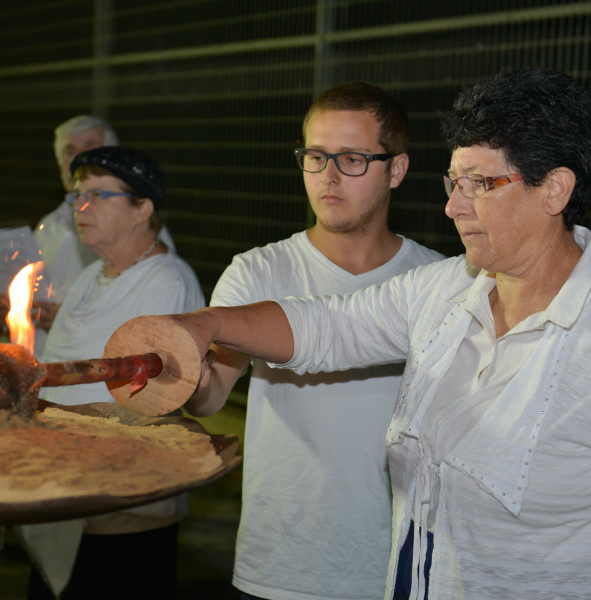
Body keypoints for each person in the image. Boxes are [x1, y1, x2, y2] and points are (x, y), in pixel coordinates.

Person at [175, 68, 591, 600]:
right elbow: (328, 325)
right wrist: (209, 323)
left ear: (555, 190)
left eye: (480, 184)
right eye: (454, 180)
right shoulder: (446, 290)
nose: (451, 207)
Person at [185, 81, 443, 600]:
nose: (328, 176)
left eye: (351, 158)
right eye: (315, 156)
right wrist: (178, 369)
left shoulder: (436, 281)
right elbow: (211, 399)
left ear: (396, 169)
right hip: (283, 563)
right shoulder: (257, 272)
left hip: (394, 566)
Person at [19, 146, 204, 600]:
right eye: (78, 196)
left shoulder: (167, 280)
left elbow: (152, 399)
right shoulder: (91, 276)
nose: (81, 207)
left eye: (99, 195)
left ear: (143, 208)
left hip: (124, 504)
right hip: (65, 488)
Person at [0, 115, 175, 355]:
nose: (79, 158)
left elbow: (145, 327)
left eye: (90, 147)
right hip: (41, 361)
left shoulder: (141, 231)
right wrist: (11, 311)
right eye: (69, 150)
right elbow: (31, 292)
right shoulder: (49, 225)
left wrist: (65, 322)